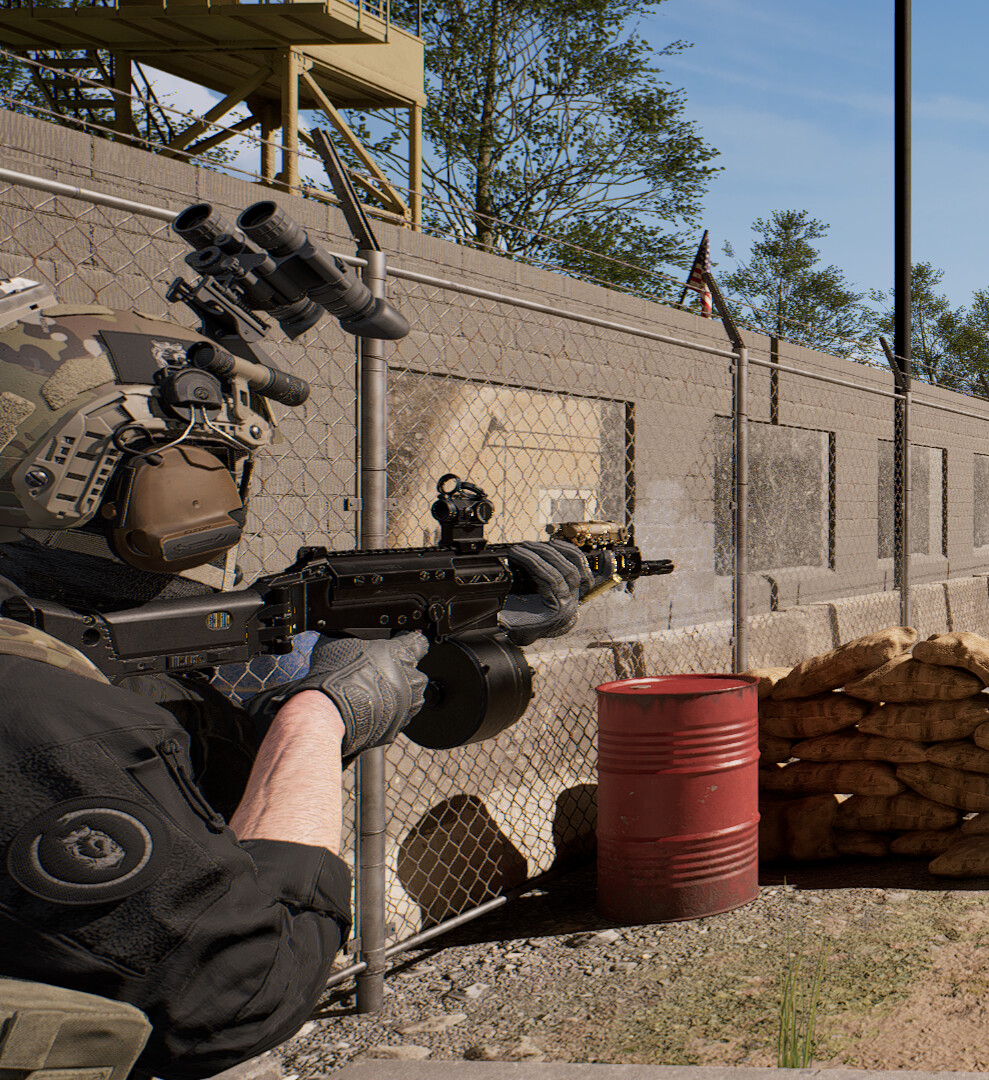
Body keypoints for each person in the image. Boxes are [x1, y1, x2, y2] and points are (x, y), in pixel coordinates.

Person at [0, 282, 591, 1080]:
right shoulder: (40, 713)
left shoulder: (50, 645)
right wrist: (319, 717)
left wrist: (461, 619)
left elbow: (194, 785)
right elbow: (244, 991)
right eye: (211, 460)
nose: (228, 488)